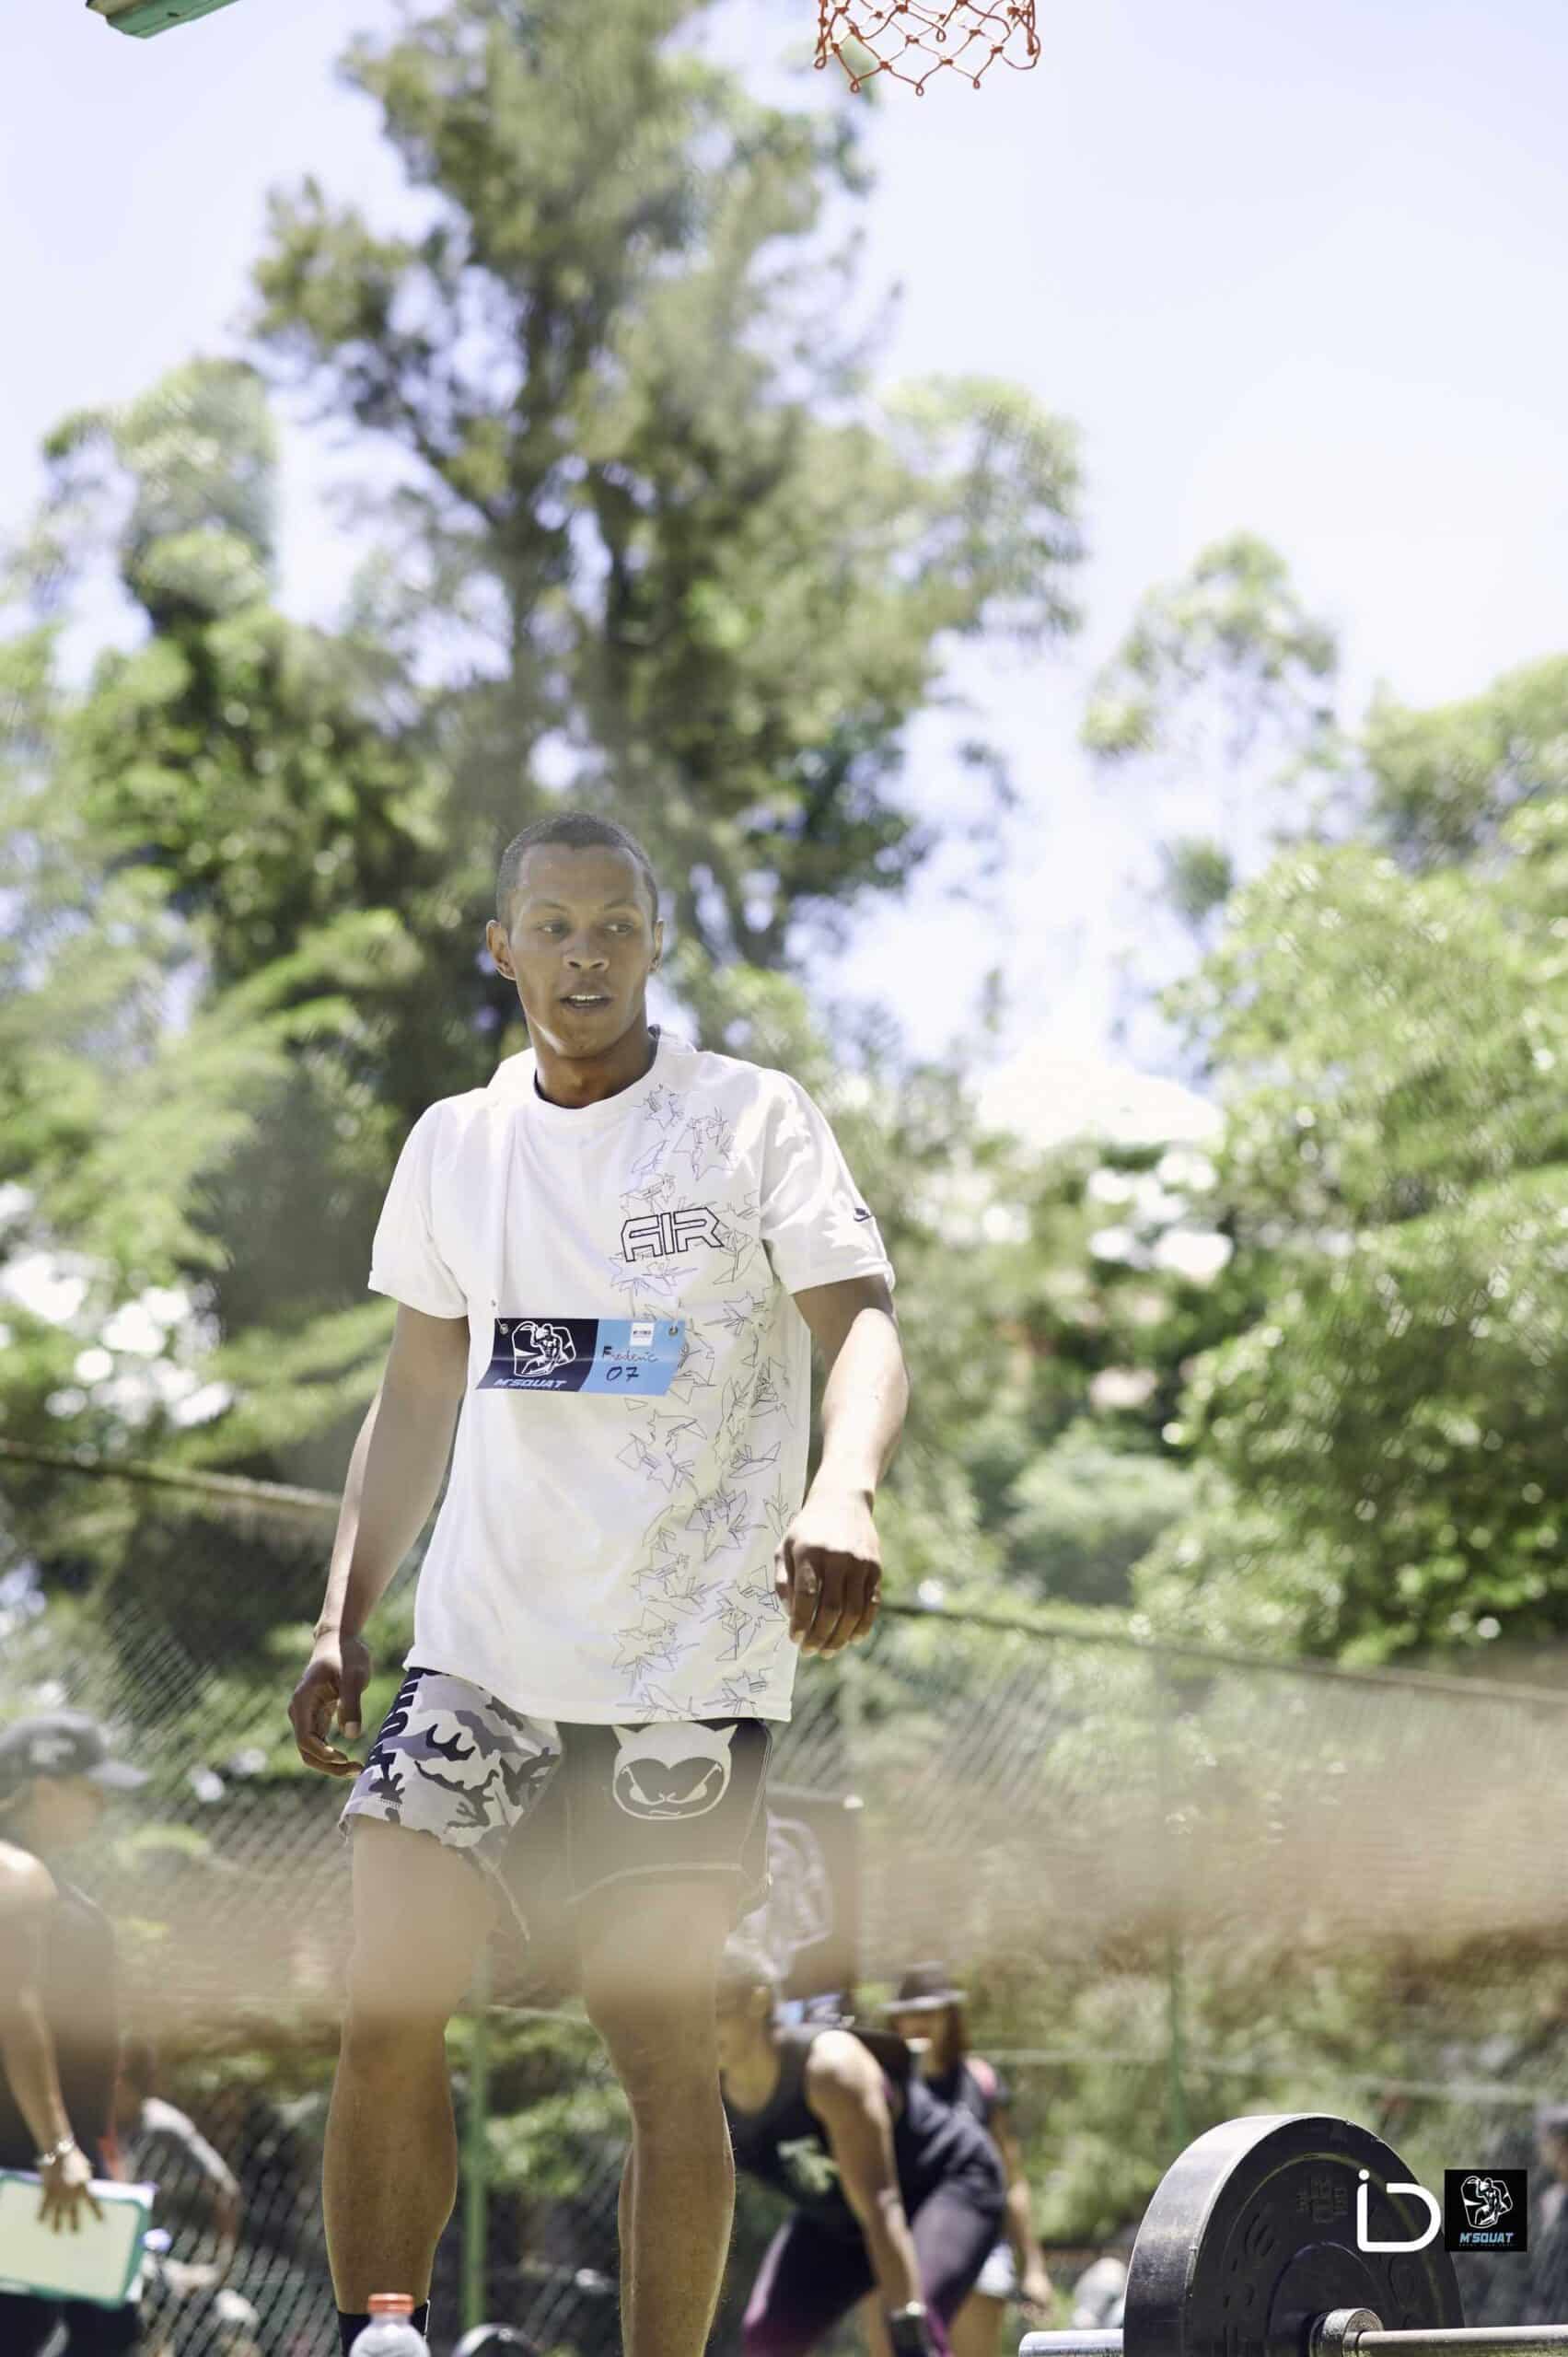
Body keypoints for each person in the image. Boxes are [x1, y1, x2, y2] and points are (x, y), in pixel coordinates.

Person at [287, 812, 907, 2357]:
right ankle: (380, 2332)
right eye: (553, 926)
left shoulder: (749, 1119)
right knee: (386, 2000)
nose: (585, 954)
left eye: (615, 925)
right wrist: (342, 1615)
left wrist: (843, 1486)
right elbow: (416, 1392)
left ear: (653, 944)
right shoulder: (456, 1144)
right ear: (500, 947)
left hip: (677, 1674)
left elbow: (863, 1324)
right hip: (478, 1659)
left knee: (656, 2055)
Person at [717, 1939, 1007, 2357]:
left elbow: (881, 2204)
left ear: (758, 2002)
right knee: (768, 2338)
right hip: (840, 2214)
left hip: (944, 2184)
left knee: (910, 2331)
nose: (697, 2034)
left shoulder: (829, 2070)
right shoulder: (705, 2097)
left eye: (714, 2013)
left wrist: (908, 2327)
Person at [0, 1710, 149, 2357]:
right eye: (91, 1790)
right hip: (28, 2156)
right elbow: (16, 2009)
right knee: (83, 2330)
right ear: (44, 1788)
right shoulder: (15, 1874)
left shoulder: (34, 1873)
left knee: (80, 2327)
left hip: (46, 2153)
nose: (102, 1805)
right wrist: (57, 2148)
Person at [882, 1964, 1052, 2357]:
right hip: (900, 2248)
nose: (920, 2023)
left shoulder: (980, 2083)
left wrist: (1033, 2267)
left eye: (931, 2012)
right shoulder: (880, 2085)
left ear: (950, 2017)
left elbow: (1011, 2180)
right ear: (895, 2021)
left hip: (978, 2244)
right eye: (910, 2013)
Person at [112, 2039, 258, 2357]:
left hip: (165, 2262)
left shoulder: (163, 2127)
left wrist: (218, 2268)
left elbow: (226, 2190)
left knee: (235, 2320)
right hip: (116, 2259)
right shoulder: (98, 2125)